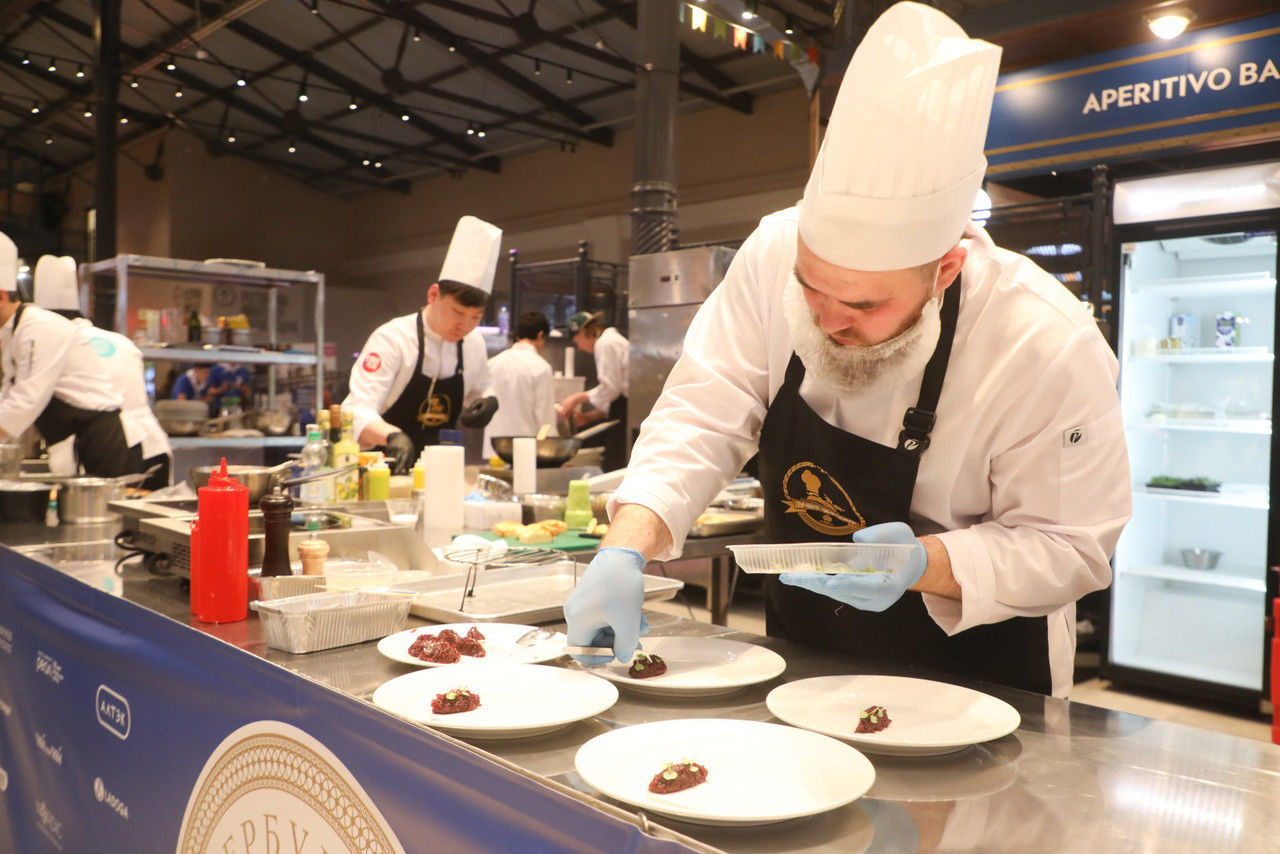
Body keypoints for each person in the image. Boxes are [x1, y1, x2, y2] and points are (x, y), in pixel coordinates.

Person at [562, 2, 1131, 699]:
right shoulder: (772, 249)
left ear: (944, 270)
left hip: (981, 681)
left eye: (864, 305)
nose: (829, 320)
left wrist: (925, 562)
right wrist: (626, 544)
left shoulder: (1042, 340)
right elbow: (701, 414)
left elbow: (1072, 547)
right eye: (811, 289)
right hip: (803, 654)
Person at [343, 215, 502, 474]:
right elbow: (357, 408)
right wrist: (392, 437)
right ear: (433, 295)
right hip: (381, 469)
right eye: (458, 313)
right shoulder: (393, 339)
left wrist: (488, 400)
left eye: (476, 317)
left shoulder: (473, 344)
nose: (465, 325)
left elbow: (481, 386)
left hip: (439, 472)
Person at [0, 234, 147, 481]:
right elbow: (9, 392)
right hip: (79, 435)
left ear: (2, 296)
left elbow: (28, 398)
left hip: (104, 439)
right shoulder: (13, 332)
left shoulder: (39, 326)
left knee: (105, 516)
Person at [32, 255, 173, 489]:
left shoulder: (55, 343)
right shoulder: (121, 341)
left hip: (107, 451)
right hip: (152, 445)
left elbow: (31, 399)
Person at [555, 310, 629, 471]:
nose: (579, 348)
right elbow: (614, 394)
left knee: (614, 465)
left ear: (583, 332)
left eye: (577, 341)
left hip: (628, 414)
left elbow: (611, 388)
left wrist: (577, 398)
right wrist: (588, 417)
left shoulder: (605, 343)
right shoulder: (610, 341)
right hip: (624, 411)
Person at [482, 311, 557, 459]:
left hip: (493, 451)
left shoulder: (493, 363)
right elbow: (545, 420)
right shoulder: (541, 367)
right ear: (541, 335)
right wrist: (553, 452)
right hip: (525, 453)